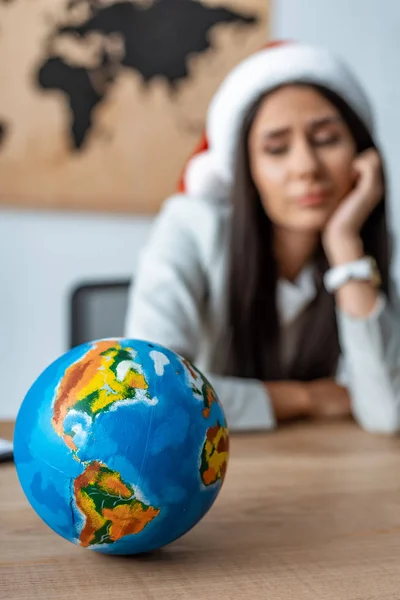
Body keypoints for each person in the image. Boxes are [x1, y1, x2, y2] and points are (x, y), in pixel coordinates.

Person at [125, 41, 400, 434]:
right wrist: (306, 398)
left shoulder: (357, 251)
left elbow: (388, 410)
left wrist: (344, 245)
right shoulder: (189, 224)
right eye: (276, 148)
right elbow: (152, 392)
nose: (305, 166)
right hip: (204, 470)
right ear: (245, 169)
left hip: (318, 468)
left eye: (326, 139)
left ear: (360, 155)